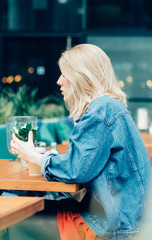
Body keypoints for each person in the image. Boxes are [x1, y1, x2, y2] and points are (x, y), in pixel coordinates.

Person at [11, 44, 151, 240]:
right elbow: (82, 165)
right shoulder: (109, 106)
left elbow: (76, 170)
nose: (59, 81)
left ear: (82, 77)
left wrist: (33, 155)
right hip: (128, 219)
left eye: (65, 74)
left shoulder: (100, 109)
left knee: (13, 218)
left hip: (112, 224)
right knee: (21, 207)